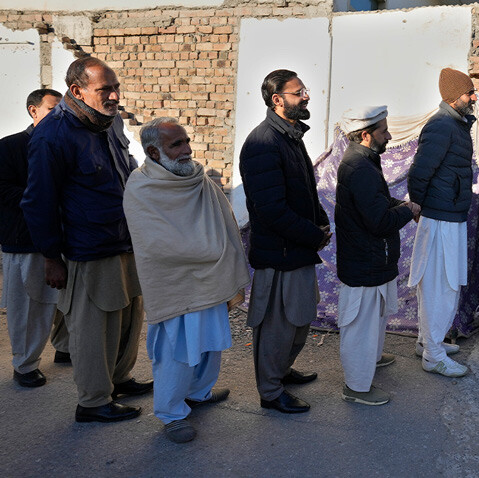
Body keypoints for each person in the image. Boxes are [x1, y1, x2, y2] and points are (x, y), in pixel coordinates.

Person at [21, 57, 151, 422]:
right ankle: (93, 402)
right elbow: (37, 201)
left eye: (115, 87)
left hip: (125, 240)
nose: (113, 95)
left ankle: (118, 380)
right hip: (88, 248)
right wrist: (51, 257)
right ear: (77, 91)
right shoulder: (53, 134)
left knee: (128, 318)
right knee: (96, 328)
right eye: (104, 89)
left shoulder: (110, 122)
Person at [123, 117, 250, 442]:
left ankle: (199, 392)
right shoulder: (140, 187)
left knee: (210, 344)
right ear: (153, 151)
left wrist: (219, 250)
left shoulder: (196, 177)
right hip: (175, 285)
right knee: (176, 352)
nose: (187, 150)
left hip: (211, 279)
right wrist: (213, 249)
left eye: (186, 141)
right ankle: (171, 413)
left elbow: (222, 219)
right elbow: (155, 244)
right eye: (176, 144)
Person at [240, 69, 331, 414]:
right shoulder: (263, 142)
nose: (306, 95)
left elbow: (304, 191)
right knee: (277, 326)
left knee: (298, 318)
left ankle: (281, 372)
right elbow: (270, 210)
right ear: (277, 100)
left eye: (304, 90)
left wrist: (320, 221)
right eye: (298, 92)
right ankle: (270, 390)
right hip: (278, 253)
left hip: (297, 248)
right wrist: (313, 235)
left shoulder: (290, 137)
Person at [335, 106, 418, 405]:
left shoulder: (365, 163)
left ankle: (372, 359)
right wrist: (407, 211)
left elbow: (378, 203)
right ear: (366, 134)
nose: (390, 135)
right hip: (365, 261)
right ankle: (356, 388)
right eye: (384, 131)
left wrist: (403, 205)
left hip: (371, 259)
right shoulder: (359, 168)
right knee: (360, 328)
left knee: (374, 321)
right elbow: (380, 221)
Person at [407, 67, 477, 377]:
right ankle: (433, 355)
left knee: (439, 284)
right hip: (440, 218)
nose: (473, 97)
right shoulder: (441, 126)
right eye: (468, 93)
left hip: (448, 215)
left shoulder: (456, 125)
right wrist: (421, 206)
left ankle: (427, 342)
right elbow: (420, 171)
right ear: (453, 97)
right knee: (441, 286)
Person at [0, 88, 71, 388]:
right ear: (34, 111)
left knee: (68, 299)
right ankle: (25, 365)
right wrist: (45, 198)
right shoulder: (11, 146)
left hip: (66, 235)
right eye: (54, 109)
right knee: (30, 304)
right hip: (25, 239)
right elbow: (3, 190)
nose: (60, 116)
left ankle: (65, 349)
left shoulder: (65, 144)